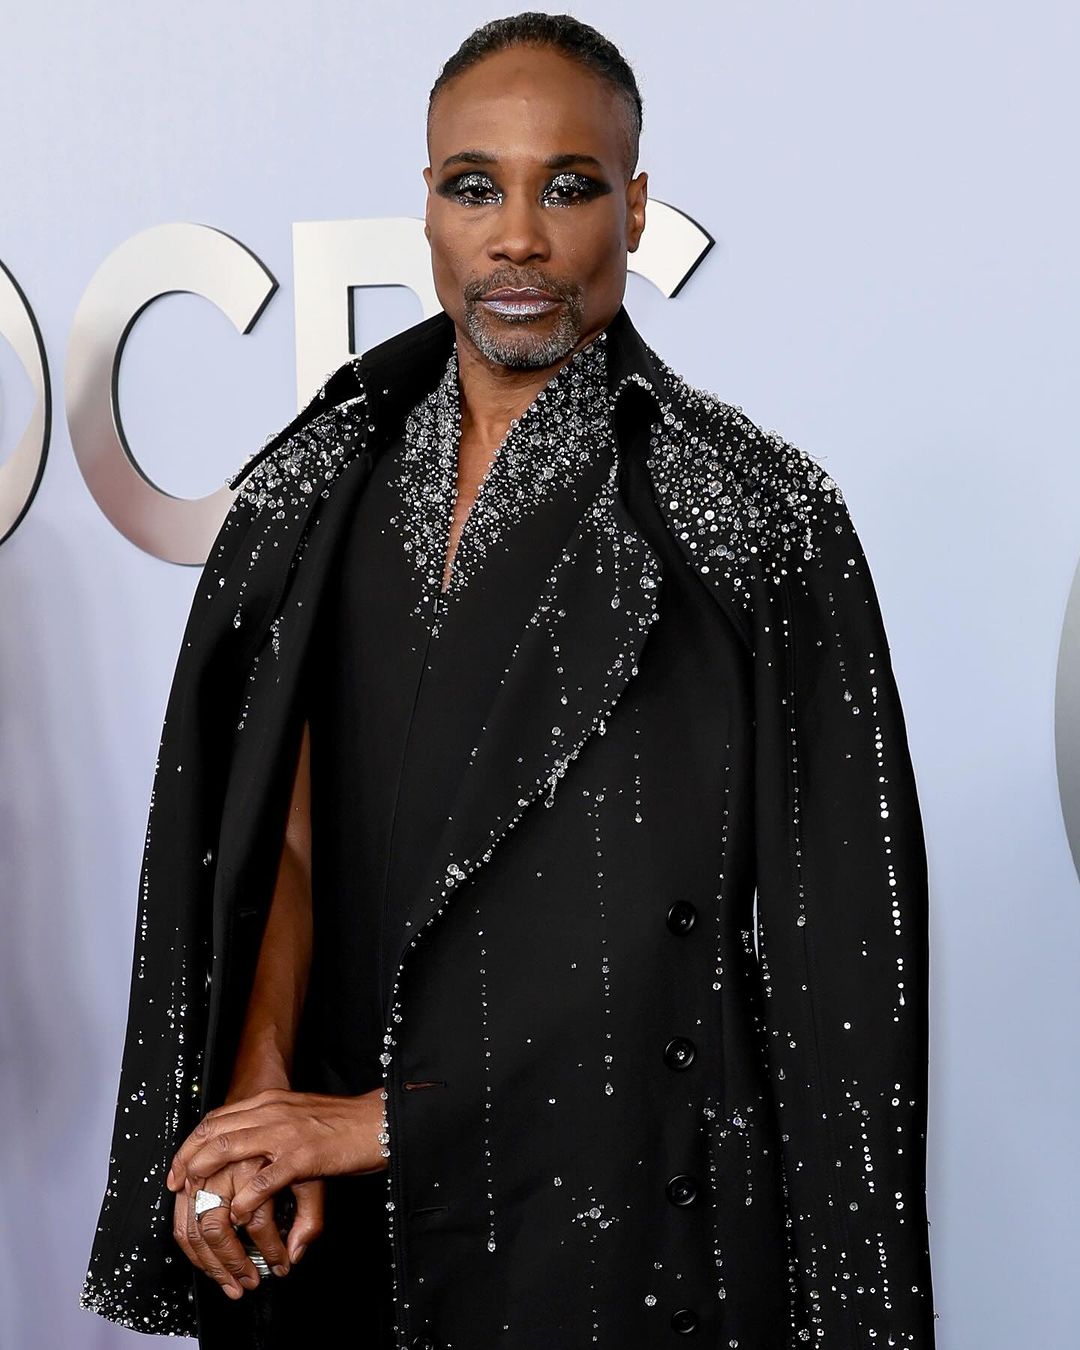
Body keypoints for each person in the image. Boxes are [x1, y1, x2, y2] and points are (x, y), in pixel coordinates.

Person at [80, 12, 938, 1350]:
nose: (518, 238)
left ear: (636, 210)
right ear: (426, 205)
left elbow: (809, 973)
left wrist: (383, 1122)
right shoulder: (315, 484)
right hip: (334, 1244)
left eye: (570, 187)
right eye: (475, 186)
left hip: (616, 1253)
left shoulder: (756, 521)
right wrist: (256, 1104)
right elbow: (279, 836)